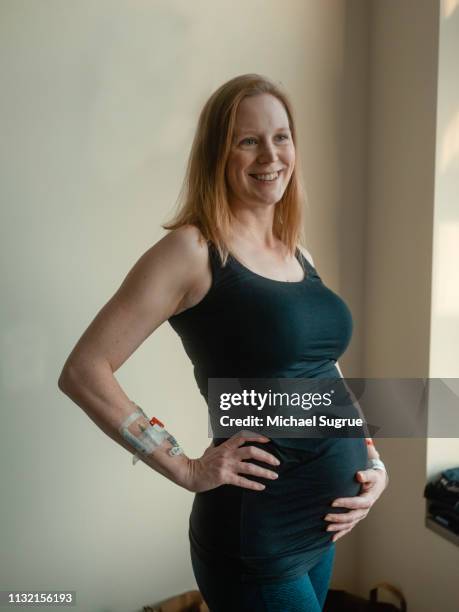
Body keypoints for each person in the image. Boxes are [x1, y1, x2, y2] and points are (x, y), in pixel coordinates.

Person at [58, 74, 388, 612]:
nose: (271, 155)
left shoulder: (296, 254)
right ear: (219, 152)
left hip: (322, 530)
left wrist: (373, 461)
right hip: (258, 538)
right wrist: (184, 466)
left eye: (281, 137)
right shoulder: (191, 250)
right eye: (248, 140)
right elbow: (83, 370)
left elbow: (323, 374)